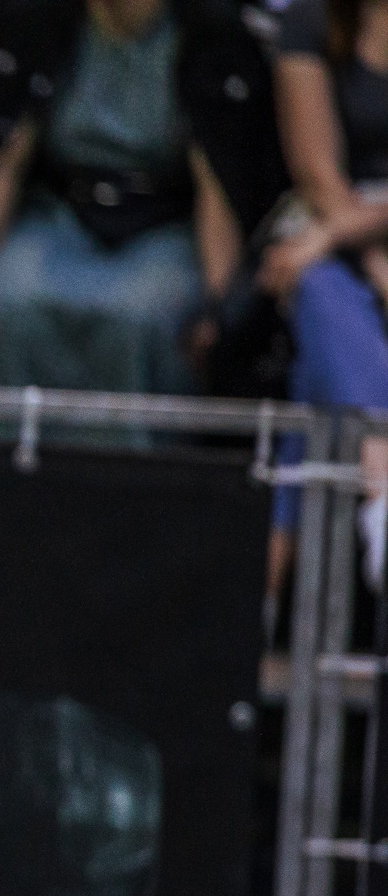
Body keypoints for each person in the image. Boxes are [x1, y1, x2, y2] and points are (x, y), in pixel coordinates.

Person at [0, 0, 277, 416]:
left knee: (141, 316)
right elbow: (1, 167)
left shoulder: (206, 37)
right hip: (63, 213)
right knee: (14, 294)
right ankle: (8, 452)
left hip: (162, 225)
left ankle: (128, 457)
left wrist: (220, 313)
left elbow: (215, 186)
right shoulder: (42, 26)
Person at [260, 0, 388, 607]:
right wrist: (371, 257)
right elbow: (315, 170)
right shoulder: (311, 19)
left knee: (315, 392)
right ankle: (385, 491)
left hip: (337, 236)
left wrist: (342, 236)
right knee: (318, 289)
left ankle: (254, 608)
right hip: (332, 237)